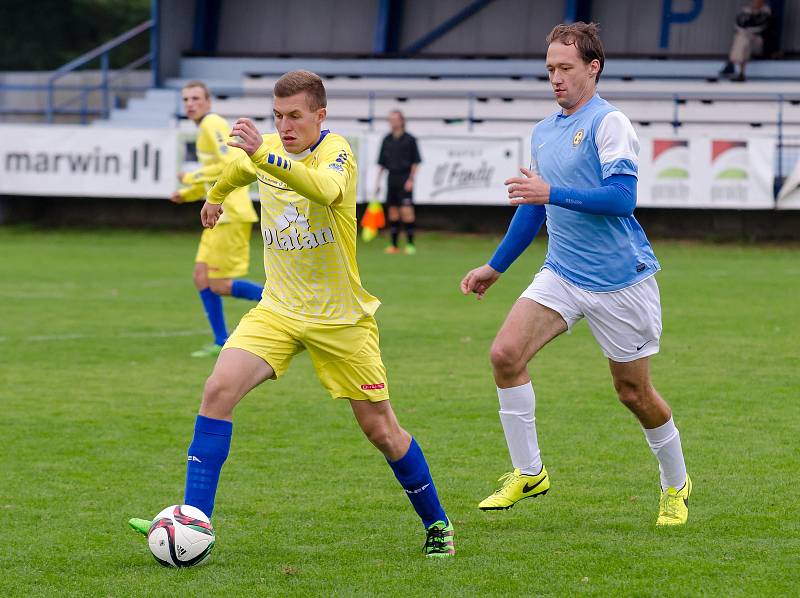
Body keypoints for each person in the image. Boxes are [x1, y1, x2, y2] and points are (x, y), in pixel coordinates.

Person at [130, 71, 454, 557]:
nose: (285, 126)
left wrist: (260, 153)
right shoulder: (264, 152)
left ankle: (438, 525)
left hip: (339, 318)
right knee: (218, 390)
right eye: (278, 116)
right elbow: (240, 169)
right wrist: (215, 197)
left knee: (381, 430)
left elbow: (323, 190)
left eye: (295, 116)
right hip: (277, 309)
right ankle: (194, 524)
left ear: (319, 115)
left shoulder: (336, 152)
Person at [460, 23, 691, 526]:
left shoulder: (611, 124)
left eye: (565, 68)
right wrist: (494, 267)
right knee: (504, 355)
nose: (556, 78)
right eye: (549, 69)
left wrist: (551, 193)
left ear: (593, 67)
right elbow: (533, 206)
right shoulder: (544, 131)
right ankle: (529, 471)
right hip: (562, 273)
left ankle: (675, 483)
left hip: (620, 282)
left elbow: (621, 199)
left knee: (634, 393)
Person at [172, 80, 262, 358]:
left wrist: (191, 176)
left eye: (196, 98)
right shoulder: (204, 128)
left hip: (231, 214)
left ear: (208, 102)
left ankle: (288, 301)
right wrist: (186, 194)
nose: (190, 104)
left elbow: (229, 164)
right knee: (201, 277)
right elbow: (216, 177)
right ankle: (221, 340)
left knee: (218, 283)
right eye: (186, 99)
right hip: (217, 214)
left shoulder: (212, 124)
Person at [374, 110, 421, 254]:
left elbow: (415, 162)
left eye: (395, 119)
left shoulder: (410, 139)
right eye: (390, 119)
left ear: (402, 121)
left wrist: (411, 180)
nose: (393, 122)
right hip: (391, 178)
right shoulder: (386, 139)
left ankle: (410, 245)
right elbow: (381, 164)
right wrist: (377, 182)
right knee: (393, 213)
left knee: (407, 212)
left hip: (405, 177)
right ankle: (394, 245)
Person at [719, 0, 772, 82]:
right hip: (746, 39)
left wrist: (747, 30)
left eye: (758, 1)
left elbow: (761, 28)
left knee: (742, 38)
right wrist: (749, 15)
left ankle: (731, 63)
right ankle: (741, 74)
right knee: (743, 40)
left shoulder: (766, 13)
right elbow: (737, 24)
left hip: (758, 42)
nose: (755, 3)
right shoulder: (746, 11)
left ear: (762, 2)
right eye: (754, 1)